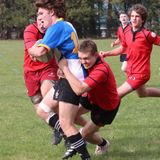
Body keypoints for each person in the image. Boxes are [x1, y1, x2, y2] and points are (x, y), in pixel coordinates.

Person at [29, 0, 91, 159]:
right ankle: (78, 142)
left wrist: (33, 47)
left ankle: (84, 153)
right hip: (70, 73)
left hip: (72, 76)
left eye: (41, 13)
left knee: (66, 123)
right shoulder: (66, 25)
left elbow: (39, 53)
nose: (39, 17)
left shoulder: (56, 27)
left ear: (51, 11)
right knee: (43, 109)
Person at [58, 39, 120, 158]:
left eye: (86, 58)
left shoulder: (101, 70)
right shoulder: (88, 62)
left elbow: (79, 89)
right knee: (72, 116)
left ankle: (103, 144)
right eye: (80, 58)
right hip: (91, 97)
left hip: (106, 107)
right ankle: (89, 129)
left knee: (85, 134)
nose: (83, 62)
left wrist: (65, 69)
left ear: (96, 55)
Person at [100, 4, 160, 98]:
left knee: (115, 95)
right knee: (143, 94)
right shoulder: (127, 33)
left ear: (142, 19)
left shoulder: (148, 35)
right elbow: (122, 48)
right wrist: (107, 53)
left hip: (141, 73)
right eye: (132, 16)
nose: (133, 19)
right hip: (130, 71)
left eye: (137, 16)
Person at [23, 16, 62, 145]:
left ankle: (69, 134)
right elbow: (33, 49)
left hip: (48, 68)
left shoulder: (53, 31)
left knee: (48, 95)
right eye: (39, 20)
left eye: (43, 19)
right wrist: (35, 51)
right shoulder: (30, 30)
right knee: (39, 108)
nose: (41, 22)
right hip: (30, 72)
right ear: (36, 20)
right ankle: (58, 129)